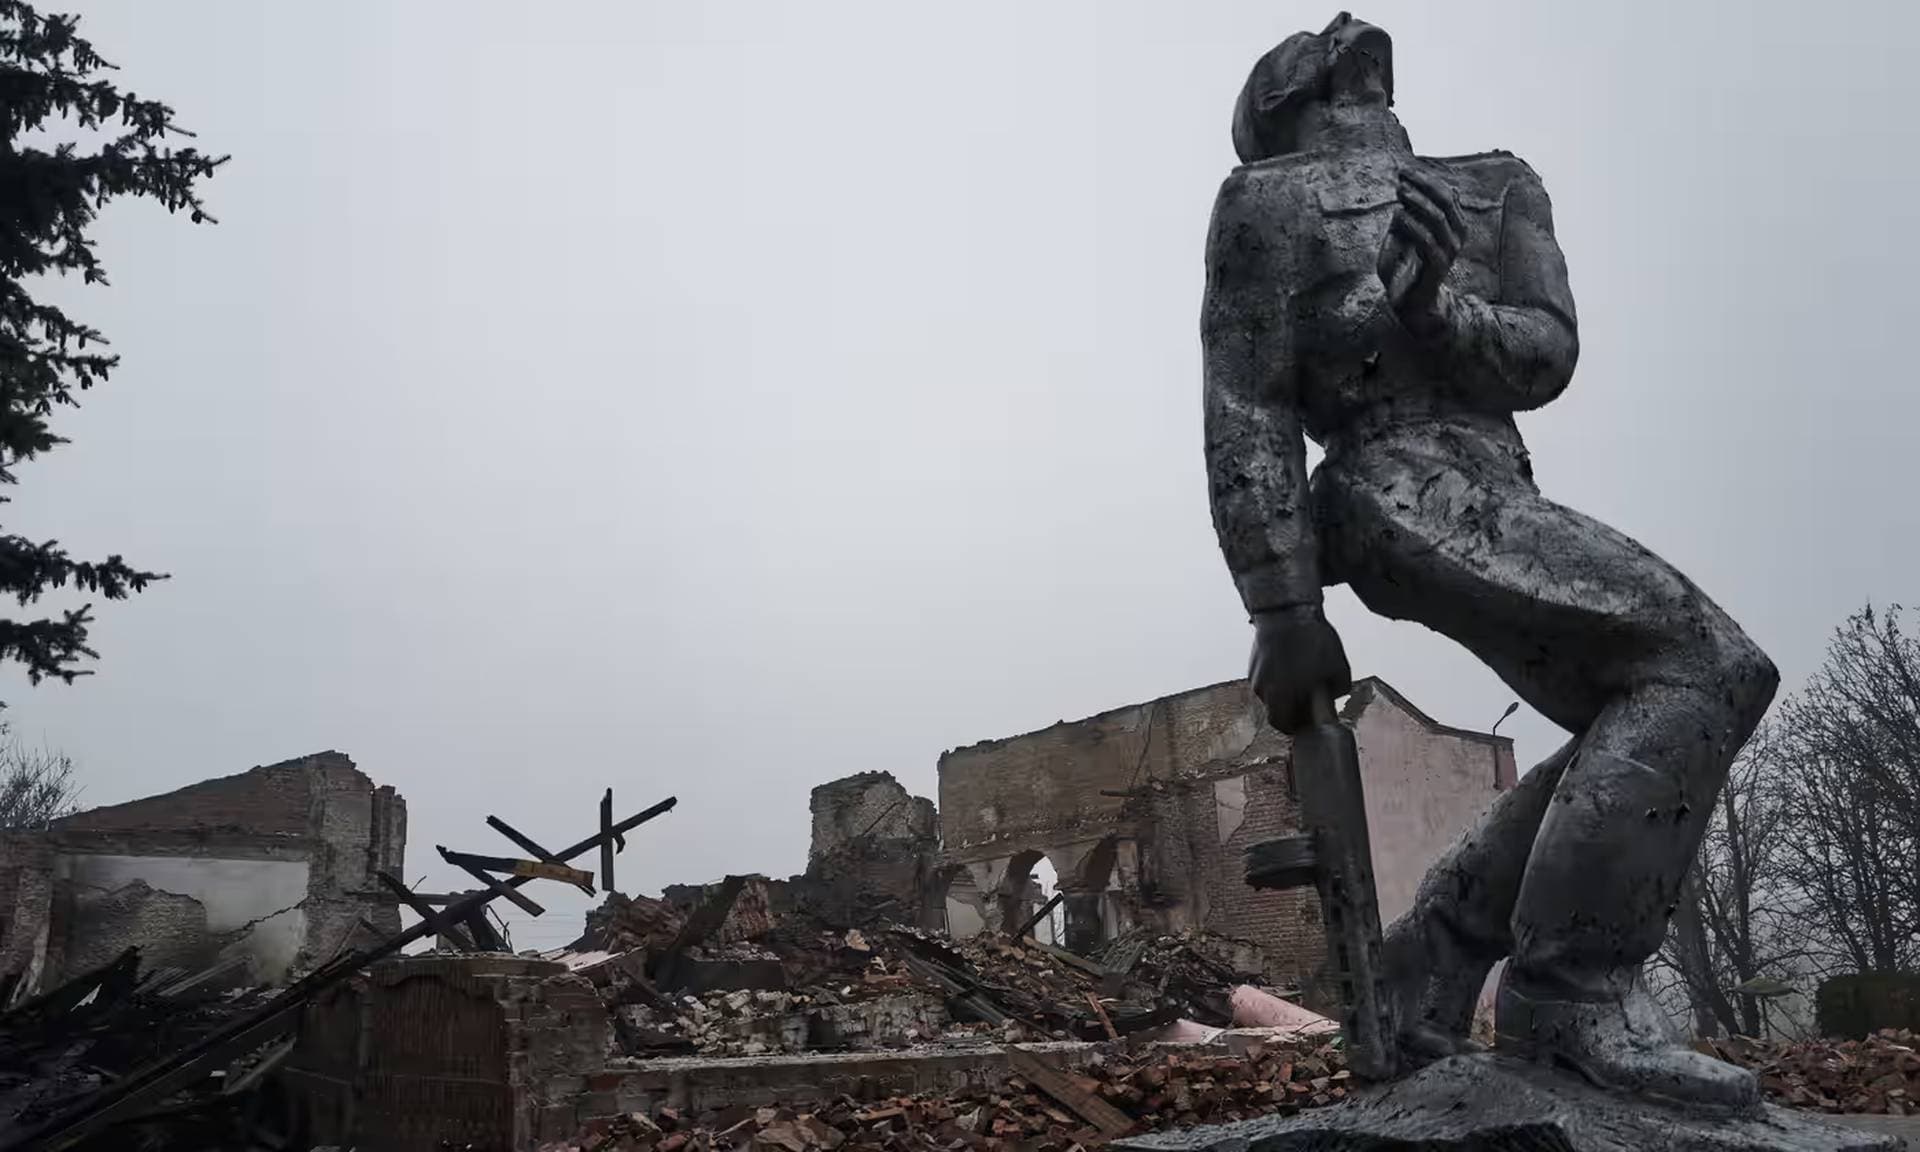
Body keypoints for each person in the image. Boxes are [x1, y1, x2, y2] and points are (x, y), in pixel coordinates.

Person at [1202, 12, 1777, 1108]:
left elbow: (1543, 356)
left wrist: (1434, 304)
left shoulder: (1498, 185)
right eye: (1317, 75)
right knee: (1711, 667)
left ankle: (1436, 951)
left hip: (1490, 485)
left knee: (1643, 706)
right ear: (1276, 115)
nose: (1350, 61)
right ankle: (1568, 990)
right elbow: (1248, 410)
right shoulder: (1264, 203)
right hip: (1386, 485)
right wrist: (1280, 608)